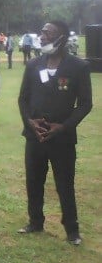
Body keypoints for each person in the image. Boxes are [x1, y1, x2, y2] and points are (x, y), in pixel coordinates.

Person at [17, 20, 92, 245]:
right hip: (35, 136)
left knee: (64, 184)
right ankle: (35, 222)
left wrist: (64, 126)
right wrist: (30, 122)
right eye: (41, 32)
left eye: (47, 33)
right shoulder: (33, 65)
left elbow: (85, 104)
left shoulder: (78, 67)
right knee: (33, 181)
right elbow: (23, 99)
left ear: (61, 37)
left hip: (62, 138)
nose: (41, 36)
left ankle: (72, 230)